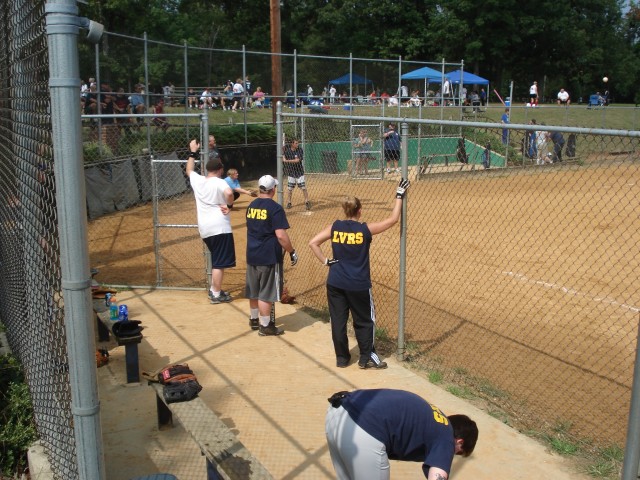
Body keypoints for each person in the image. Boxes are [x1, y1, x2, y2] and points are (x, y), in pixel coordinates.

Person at [308, 179, 410, 369]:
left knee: (338, 321)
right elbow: (392, 220)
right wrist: (399, 195)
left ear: (345, 211)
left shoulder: (335, 226)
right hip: (358, 284)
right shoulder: (364, 229)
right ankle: (366, 358)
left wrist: (326, 261)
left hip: (335, 281)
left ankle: (342, 358)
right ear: (359, 211)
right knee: (364, 321)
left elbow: (313, 243)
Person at [325, 388, 478, 480]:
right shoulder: (447, 438)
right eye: (458, 453)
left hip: (337, 414)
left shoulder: (435, 421)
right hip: (365, 430)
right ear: (460, 442)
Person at [245, 175, 298, 335]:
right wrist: (291, 251)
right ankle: (265, 326)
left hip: (252, 254)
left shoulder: (252, 205)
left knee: (254, 289)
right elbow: (281, 235)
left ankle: (254, 320)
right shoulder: (275, 208)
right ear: (273, 190)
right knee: (266, 292)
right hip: (268, 256)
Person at [186, 139, 236, 304]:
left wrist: (192, 152)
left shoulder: (199, 180)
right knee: (219, 263)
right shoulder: (220, 182)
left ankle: (216, 289)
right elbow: (229, 192)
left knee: (217, 259)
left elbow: (189, 170)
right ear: (220, 170)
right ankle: (215, 293)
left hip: (205, 228)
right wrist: (229, 205)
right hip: (219, 227)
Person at [283, 138, 311, 210]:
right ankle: (289, 202)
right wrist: (283, 154)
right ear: (292, 144)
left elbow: (297, 160)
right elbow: (283, 158)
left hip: (299, 172)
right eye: (296, 143)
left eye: (297, 143)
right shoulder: (288, 151)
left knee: (303, 188)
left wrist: (286, 160)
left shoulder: (300, 150)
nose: (297, 144)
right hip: (291, 172)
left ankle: (307, 201)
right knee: (289, 189)